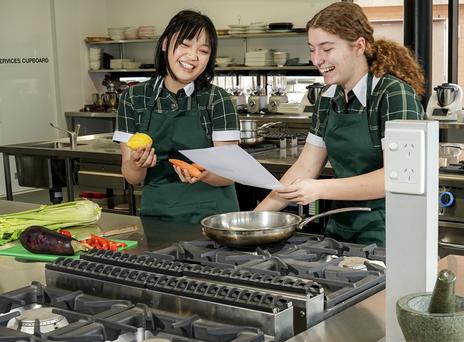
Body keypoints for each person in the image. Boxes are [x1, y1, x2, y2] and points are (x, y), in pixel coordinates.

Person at [255, 2, 425, 246]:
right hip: (341, 228)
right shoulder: (328, 98)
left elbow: (395, 177)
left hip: (389, 232)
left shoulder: (393, 95)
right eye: (312, 49)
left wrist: (320, 189)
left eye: (326, 49)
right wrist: (254, 220)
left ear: (359, 46)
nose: (317, 60)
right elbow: (304, 168)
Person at [113, 10, 239, 223]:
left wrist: (202, 174)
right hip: (157, 216)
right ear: (164, 44)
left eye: (203, 50)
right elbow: (132, 177)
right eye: (185, 44)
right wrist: (137, 164)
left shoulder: (217, 99)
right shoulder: (133, 98)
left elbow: (229, 173)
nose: (193, 56)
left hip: (213, 219)